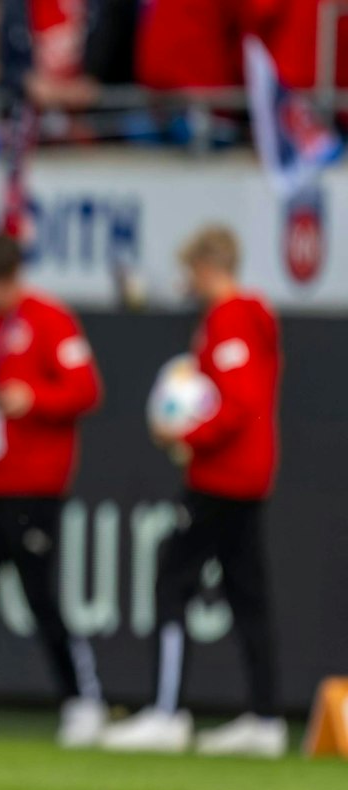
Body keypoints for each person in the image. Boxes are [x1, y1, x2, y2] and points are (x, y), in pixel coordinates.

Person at [101, 226, 286, 756]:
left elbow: (238, 402)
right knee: (247, 594)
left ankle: (167, 711)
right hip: (244, 474)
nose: (188, 280)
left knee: (172, 579)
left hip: (223, 477)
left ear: (209, 265)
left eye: (191, 269)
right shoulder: (246, 317)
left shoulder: (230, 319)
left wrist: (184, 434)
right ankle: (265, 717)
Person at [0, 232, 109, 747]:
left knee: (40, 597)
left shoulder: (50, 319)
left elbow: (86, 389)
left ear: (16, 275)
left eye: (0, 284)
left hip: (35, 487)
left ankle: (82, 699)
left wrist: (32, 396)